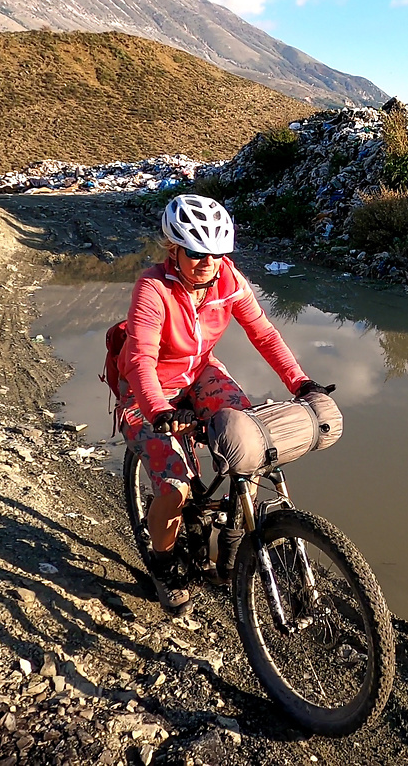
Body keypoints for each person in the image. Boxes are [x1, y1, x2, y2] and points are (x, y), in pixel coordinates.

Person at [119, 193, 328, 613]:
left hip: (199, 374)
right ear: (172, 250)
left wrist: (302, 383)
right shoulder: (153, 288)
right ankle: (164, 565)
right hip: (148, 390)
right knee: (176, 488)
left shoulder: (229, 280)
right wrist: (160, 412)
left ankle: (234, 538)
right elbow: (140, 357)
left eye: (217, 253)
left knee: (249, 443)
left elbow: (265, 335)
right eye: (196, 253)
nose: (207, 263)